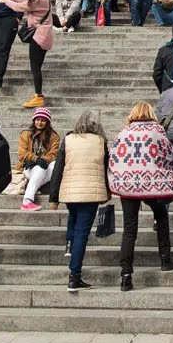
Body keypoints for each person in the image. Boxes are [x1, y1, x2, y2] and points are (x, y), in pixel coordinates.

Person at [111, 101, 173, 286]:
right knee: (161, 215)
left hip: (128, 186)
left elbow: (114, 157)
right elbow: (170, 155)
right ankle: (165, 259)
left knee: (129, 230)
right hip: (153, 184)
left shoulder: (124, 132)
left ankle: (126, 275)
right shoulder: (157, 131)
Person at [48, 111, 110, 291]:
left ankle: (69, 242)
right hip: (91, 192)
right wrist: (107, 191)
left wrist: (54, 196)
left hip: (70, 190)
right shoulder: (100, 142)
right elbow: (106, 168)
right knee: (82, 233)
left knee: (74, 218)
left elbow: (58, 167)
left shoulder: (68, 139)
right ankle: (74, 276)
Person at [0, 0, 54, 110]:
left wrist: (5, 1)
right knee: (37, 67)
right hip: (44, 36)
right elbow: (26, 0)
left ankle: (38, 97)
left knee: (35, 68)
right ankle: (38, 95)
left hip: (39, 37)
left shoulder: (40, 0)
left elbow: (20, 7)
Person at [15, 107, 60, 211]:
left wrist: (43, 160)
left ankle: (32, 187)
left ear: (47, 122)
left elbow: (54, 153)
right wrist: (36, 159)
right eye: (37, 120)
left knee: (55, 165)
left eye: (43, 120)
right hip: (27, 167)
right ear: (34, 120)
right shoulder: (26, 134)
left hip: (44, 166)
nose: (39, 123)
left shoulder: (54, 136)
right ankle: (27, 201)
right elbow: (22, 154)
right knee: (40, 168)